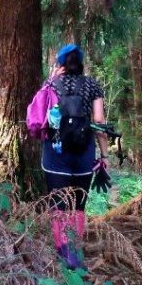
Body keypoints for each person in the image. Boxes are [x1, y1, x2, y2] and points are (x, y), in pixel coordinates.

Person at [41, 42, 108, 269]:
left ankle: (63, 253)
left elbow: (40, 112)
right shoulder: (92, 85)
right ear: (81, 64)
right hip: (83, 152)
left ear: (60, 63)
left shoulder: (51, 83)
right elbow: (98, 121)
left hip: (55, 152)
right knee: (78, 204)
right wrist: (104, 156)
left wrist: (51, 78)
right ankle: (75, 252)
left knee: (59, 204)